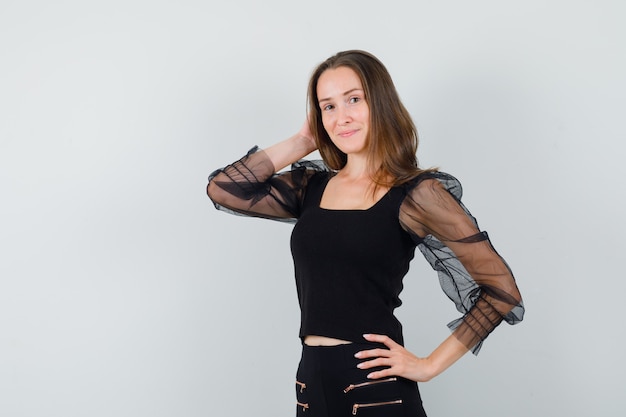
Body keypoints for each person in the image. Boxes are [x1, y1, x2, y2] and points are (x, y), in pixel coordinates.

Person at [206, 50, 524, 417]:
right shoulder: (310, 186)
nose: (342, 117)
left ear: (380, 102)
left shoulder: (417, 194)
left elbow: (502, 290)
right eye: (328, 107)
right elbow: (223, 189)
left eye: (353, 100)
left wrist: (429, 365)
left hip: (375, 388)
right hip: (311, 382)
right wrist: (301, 142)